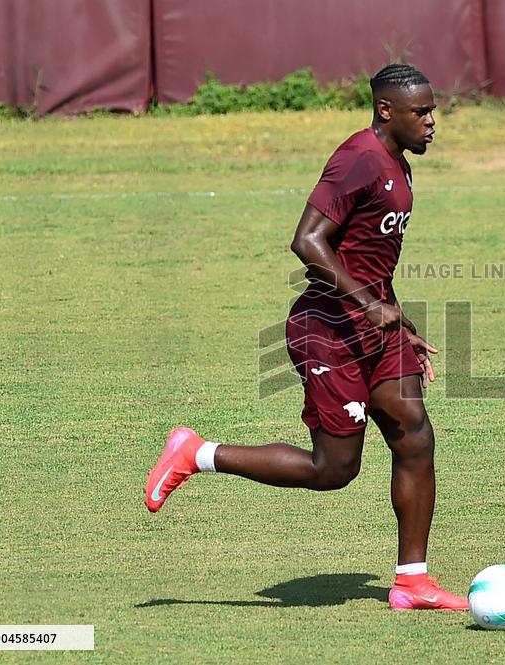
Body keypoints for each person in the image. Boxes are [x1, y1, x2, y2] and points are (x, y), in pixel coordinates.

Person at [144, 63, 468, 611]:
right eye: (421, 112)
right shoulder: (358, 158)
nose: (432, 121)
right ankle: (196, 453)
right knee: (333, 469)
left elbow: (366, 256)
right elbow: (307, 240)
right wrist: (369, 305)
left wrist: (398, 321)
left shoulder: (400, 164)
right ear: (386, 110)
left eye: (433, 110)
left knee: (415, 437)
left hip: (376, 329)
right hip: (329, 328)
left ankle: (412, 583)